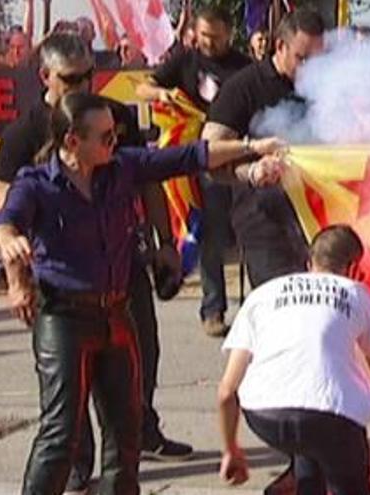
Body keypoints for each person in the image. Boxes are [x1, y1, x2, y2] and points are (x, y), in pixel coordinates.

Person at [0, 92, 286, 495]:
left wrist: (252, 147)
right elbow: (6, 223)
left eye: (114, 135)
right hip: (64, 317)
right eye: (105, 137)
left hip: (116, 314)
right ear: (71, 142)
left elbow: (191, 156)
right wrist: (12, 259)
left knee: (125, 431)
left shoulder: (122, 168)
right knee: (61, 434)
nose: (114, 143)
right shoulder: (37, 185)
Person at [0, 34, 195, 489]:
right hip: (62, 289)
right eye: (72, 77)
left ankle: (142, 432)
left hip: (121, 268)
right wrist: (17, 278)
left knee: (139, 359)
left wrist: (165, 242)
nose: (85, 82)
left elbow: (151, 174)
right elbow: (6, 210)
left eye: (89, 73)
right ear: (45, 77)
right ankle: (76, 465)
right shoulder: (24, 133)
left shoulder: (114, 116)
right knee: (65, 410)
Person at [217, 224, 370, 493]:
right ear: (352, 269)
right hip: (332, 419)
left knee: (310, 444)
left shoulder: (263, 295)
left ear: (309, 262)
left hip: (265, 417)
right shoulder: (357, 293)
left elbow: (225, 392)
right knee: (340, 466)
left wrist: (231, 450)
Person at [137, 7, 252, 337]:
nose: (209, 43)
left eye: (215, 37)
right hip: (203, 160)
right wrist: (162, 93)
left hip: (240, 155)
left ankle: (258, 308)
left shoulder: (244, 67)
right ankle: (213, 307)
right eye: (203, 36)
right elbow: (143, 88)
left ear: (229, 33)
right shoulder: (186, 61)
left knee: (251, 228)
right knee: (211, 233)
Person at [202, 10, 324, 290]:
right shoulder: (244, 87)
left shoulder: (325, 87)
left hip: (319, 220)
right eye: (302, 59)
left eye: (319, 61)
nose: (311, 70)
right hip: (265, 224)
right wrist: (251, 169)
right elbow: (209, 154)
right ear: (280, 46)